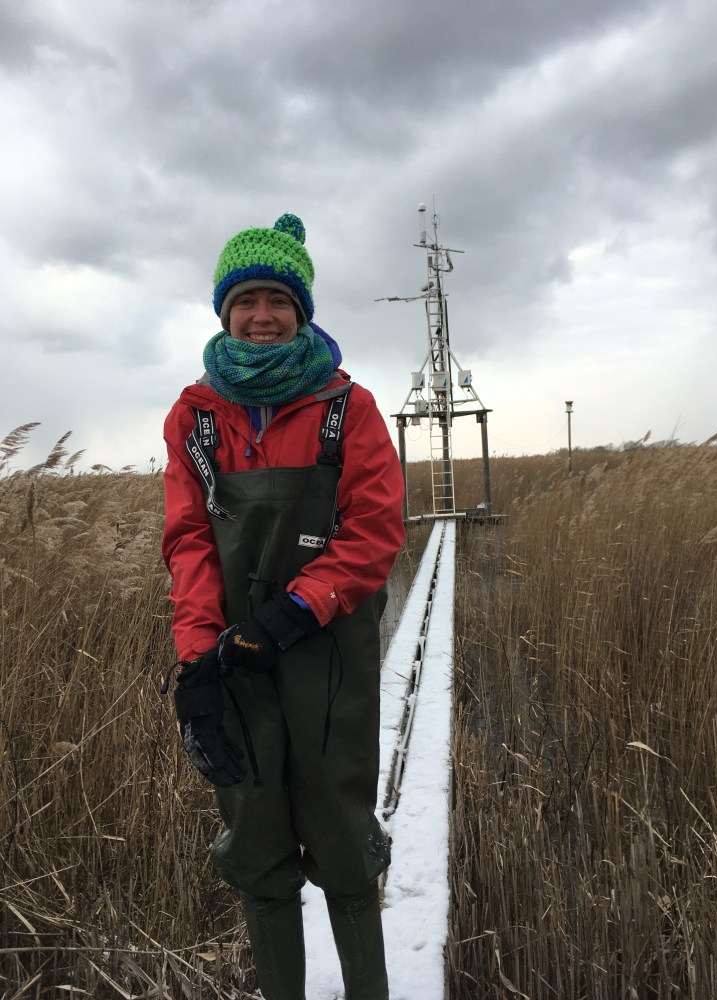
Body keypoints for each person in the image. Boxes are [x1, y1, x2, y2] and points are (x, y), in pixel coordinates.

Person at [162, 213, 405, 1000]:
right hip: (236, 660)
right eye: (247, 300)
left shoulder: (346, 407)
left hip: (329, 658)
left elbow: (374, 530)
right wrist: (197, 661)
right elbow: (189, 542)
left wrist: (299, 610)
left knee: (341, 836)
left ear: (301, 310)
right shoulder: (196, 417)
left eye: (278, 300)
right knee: (257, 839)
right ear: (224, 311)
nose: (262, 316)